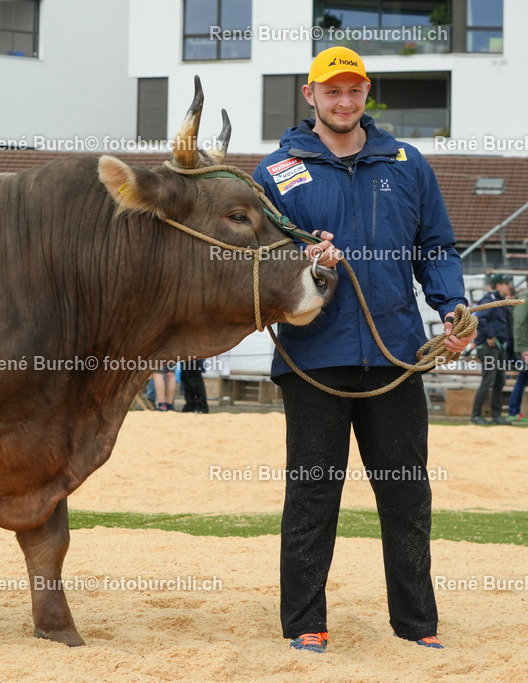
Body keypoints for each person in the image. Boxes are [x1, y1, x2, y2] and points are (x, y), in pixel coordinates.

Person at [253, 46, 474, 653]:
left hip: (395, 355)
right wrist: (301, 258)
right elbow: (252, 262)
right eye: (332, 91)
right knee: (312, 494)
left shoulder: (408, 163)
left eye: (354, 91)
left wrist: (452, 307)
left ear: (366, 94)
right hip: (313, 358)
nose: (344, 101)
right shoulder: (275, 173)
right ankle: (305, 625)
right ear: (311, 96)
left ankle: (417, 625)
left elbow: (436, 245)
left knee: (406, 492)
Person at [470, 274, 514, 425]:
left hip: (500, 346)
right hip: (489, 347)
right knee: (488, 380)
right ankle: (475, 415)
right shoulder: (489, 300)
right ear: (498, 285)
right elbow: (479, 318)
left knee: (499, 381)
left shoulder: (501, 302)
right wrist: (490, 335)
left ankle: (496, 415)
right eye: (505, 283)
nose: (508, 286)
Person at [508, 286, 528, 421]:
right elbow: (518, 325)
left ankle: (514, 412)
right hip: (525, 349)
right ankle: (513, 412)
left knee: (522, 380)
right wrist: (523, 348)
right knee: (521, 380)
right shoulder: (524, 300)